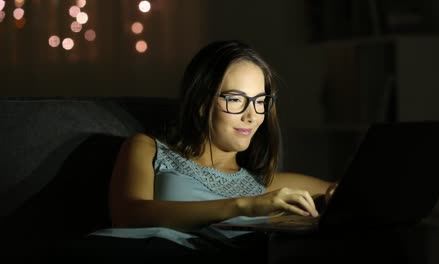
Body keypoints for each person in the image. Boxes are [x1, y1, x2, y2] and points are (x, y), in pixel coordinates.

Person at [84, 40, 337, 263]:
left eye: (260, 102)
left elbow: (344, 190)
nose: (252, 116)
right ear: (203, 103)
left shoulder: (265, 185)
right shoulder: (148, 148)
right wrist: (243, 206)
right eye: (236, 99)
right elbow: (128, 215)